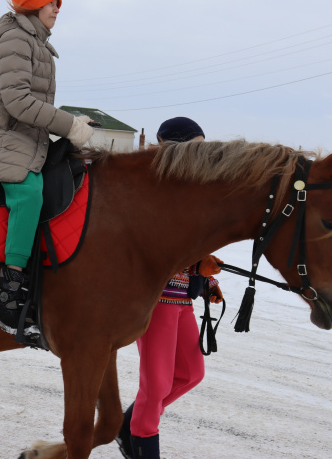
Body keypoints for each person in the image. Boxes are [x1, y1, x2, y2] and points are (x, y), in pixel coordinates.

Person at [0, 0, 95, 336]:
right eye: (51, 3)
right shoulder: (16, 38)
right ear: (33, 5)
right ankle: (8, 296)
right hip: (0, 133)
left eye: (58, 3)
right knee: (28, 192)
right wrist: (69, 125)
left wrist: (72, 126)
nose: (57, 9)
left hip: (25, 134)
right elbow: (17, 102)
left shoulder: (37, 42)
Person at [116, 117, 225, 459]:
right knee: (157, 385)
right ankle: (142, 440)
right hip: (155, 299)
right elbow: (152, 243)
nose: (203, 154)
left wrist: (206, 278)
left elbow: (192, 245)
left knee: (191, 373)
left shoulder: (190, 192)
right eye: (197, 146)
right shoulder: (153, 188)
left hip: (182, 300)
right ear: (177, 149)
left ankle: (130, 423)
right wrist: (192, 259)